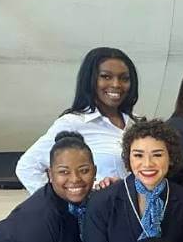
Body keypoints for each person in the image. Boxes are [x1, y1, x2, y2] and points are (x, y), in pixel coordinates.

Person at [16, 47, 137, 193]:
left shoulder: (135, 125)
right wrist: (59, 206)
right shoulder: (73, 123)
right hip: (94, 212)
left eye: (124, 78)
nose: (116, 84)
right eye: (106, 76)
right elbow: (28, 167)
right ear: (90, 80)